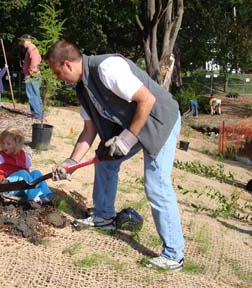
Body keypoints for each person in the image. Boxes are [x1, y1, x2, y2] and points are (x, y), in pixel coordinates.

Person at [47, 41, 184, 271]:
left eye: (57, 72)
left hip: (160, 121)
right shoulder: (83, 88)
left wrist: (128, 138)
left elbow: (147, 100)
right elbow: (89, 131)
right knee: (104, 161)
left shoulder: (106, 69)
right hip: (133, 125)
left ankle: (173, 255)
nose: (58, 78)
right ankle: (104, 218)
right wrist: (72, 162)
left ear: (67, 65)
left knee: (156, 185)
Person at [0, 128, 51, 204]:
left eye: (8, 144)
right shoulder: (1, 156)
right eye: (3, 143)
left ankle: (45, 196)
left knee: (36, 173)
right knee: (23, 173)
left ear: (17, 144)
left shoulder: (23, 155)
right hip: (7, 187)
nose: (5, 146)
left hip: (21, 187)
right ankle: (35, 197)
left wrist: (29, 182)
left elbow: (28, 172)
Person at [19, 34, 42, 119]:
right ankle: (36, 113)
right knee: (34, 94)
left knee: (32, 94)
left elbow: (35, 61)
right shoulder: (32, 48)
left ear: (25, 41)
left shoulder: (32, 48)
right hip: (32, 74)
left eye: (22, 41)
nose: (22, 43)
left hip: (32, 75)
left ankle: (37, 114)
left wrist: (31, 72)